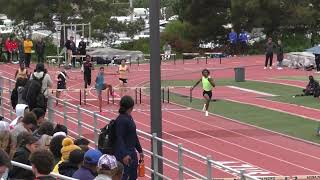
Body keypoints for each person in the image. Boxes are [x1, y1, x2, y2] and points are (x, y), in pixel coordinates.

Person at [114, 96, 144, 180]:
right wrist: (124, 154)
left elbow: (133, 135)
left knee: (133, 176)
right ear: (131, 106)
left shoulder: (129, 118)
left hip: (132, 153)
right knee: (124, 176)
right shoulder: (121, 120)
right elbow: (119, 138)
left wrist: (140, 150)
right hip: (124, 155)